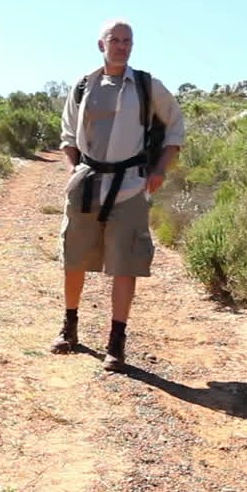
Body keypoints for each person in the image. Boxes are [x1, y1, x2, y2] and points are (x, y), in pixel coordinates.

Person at [51, 18, 185, 371]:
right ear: (101, 44)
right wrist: (73, 169)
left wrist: (158, 171)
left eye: (128, 40)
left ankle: (116, 342)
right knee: (74, 257)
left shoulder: (146, 85)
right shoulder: (83, 85)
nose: (122, 46)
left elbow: (175, 126)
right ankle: (70, 327)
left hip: (129, 186)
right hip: (87, 185)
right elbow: (68, 135)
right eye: (115, 40)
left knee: (125, 265)